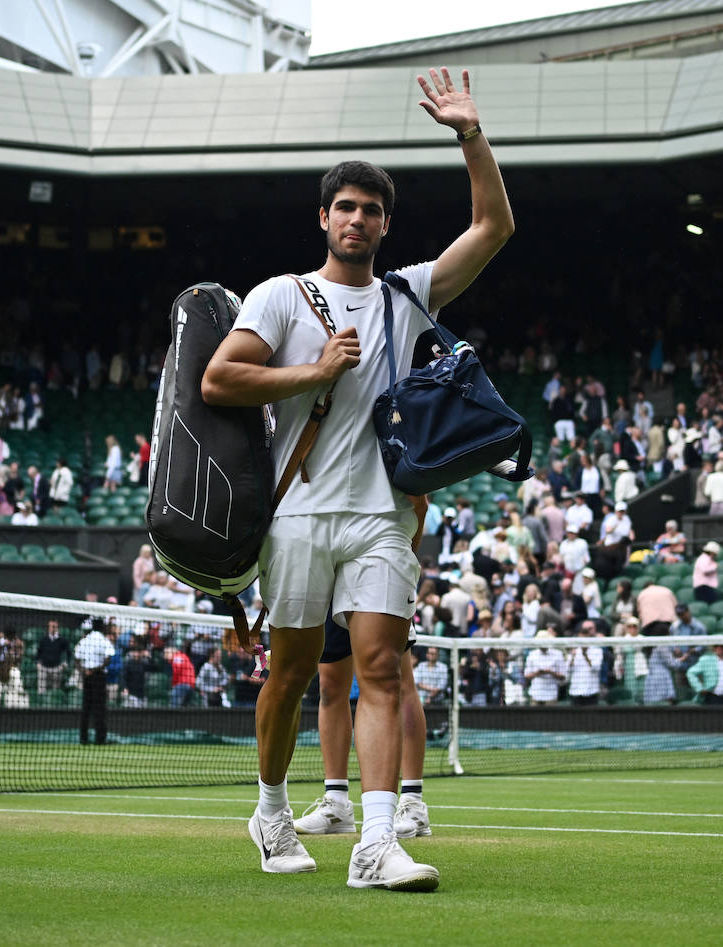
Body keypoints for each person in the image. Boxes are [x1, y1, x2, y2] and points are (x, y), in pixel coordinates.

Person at [202, 67, 512, 889]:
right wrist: (310, 371)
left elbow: (492, 227)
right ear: (324, 218)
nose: (359, 219)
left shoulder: (409, 296)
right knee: (293, 673)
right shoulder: (280, 296)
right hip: (297, 511)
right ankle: (270, 807)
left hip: (381, 512)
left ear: (383, 226)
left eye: (373, 210)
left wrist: (469, 133)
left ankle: (376, 843)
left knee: (379, 666)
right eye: (347, 207)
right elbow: (220, 381)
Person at [293, 613, 433, 841]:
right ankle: (336, 804)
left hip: (377, 582)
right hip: (331, 586)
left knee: (397, 678)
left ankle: (413, 802)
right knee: (329, 686)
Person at [75, 620, 116, 745]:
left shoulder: (84, 640)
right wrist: (95, 670)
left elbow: (76, 659)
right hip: (98, 677)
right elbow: (108, 658)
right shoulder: (104, 640)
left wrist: (85, 671)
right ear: (102, 627)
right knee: (99, 708)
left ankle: (84, 738)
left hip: (87, 677)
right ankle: (100, 739)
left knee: (86, 708)